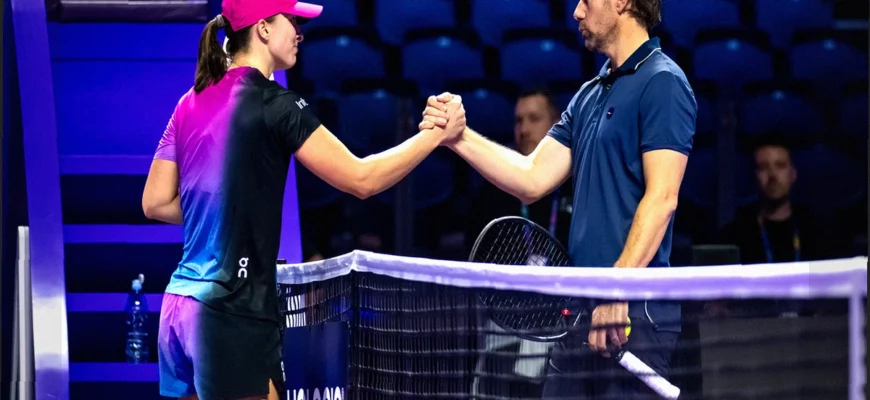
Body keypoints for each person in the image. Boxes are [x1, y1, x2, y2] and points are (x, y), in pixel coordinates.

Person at [140, 1, 466, 399]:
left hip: (179, 310)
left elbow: (156, 202)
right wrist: (436, 136)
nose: (300, 32)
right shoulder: (276, 104)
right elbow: (361, 179)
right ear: (263, 28)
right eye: (292, 20)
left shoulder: (189, 101)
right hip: (229, 311)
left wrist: (229, 209)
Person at [421, 0, 696, 397]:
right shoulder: (588, 96)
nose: (577, 12)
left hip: (633, 314)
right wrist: (458, 136)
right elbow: (531, 177)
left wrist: (617, 289)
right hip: (580, 315)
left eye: (586, 1)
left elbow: (663, 197)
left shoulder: (663, 81)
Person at [708, 134, 841, 317]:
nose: (772, 176)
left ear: (793, 173)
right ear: (755, 176)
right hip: (754, 330)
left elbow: (834, 297)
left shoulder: (818, 232)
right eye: (763, 167)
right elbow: (718, 302)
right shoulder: (734, 236)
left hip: (810, 330)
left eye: (780, 165)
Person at [465, 88, 573, 251]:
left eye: (534, 119)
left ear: (557, 125)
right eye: (518, 121)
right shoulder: (495, 184)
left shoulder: (577, 183)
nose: (524, 130)